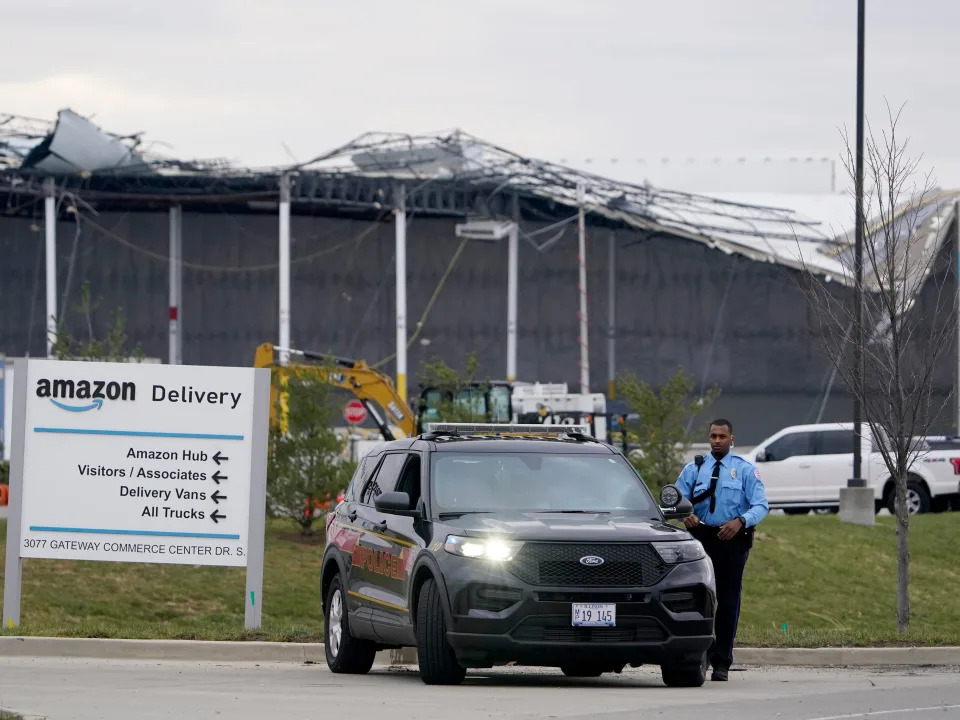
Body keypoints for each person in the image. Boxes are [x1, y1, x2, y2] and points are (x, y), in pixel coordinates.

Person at [674, 418, 768, 681]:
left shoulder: (745, 469)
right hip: (701, 536)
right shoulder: (694, 468)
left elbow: (761, 505)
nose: (717, 440)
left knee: (727, 601)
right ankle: (698, 654)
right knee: (697, 598)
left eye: (722, 436)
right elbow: (675, 498)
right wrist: (685, 514)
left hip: (732, 539)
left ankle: (722, 661)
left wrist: (741, 522)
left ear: (731, 439)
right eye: (713, 436)